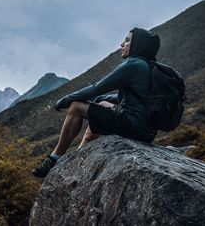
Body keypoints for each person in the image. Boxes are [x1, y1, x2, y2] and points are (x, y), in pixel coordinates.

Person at [33, 27, 160, 178]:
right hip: (144, 129)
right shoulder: (148, 66)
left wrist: (66, 100)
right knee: (97, 111)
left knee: (76, 107)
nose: (122, 44)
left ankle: (54, 158)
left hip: (133, 126)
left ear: (138, 45)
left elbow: (97, 88)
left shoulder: (134, 65)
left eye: (127, 40)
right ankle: (77, 160)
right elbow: (128, 99)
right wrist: (98, 101)